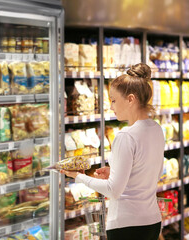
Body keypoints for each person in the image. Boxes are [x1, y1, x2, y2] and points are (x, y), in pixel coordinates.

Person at [61, 63, 165, 240]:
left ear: (131, 99)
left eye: (114, 100)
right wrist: (115, 171)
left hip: (126, 226)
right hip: (152, 222)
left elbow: (112, 190)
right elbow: (148, 172)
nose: (111, 106)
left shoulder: (125, 136)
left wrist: (77, 176)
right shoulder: (156, 128)